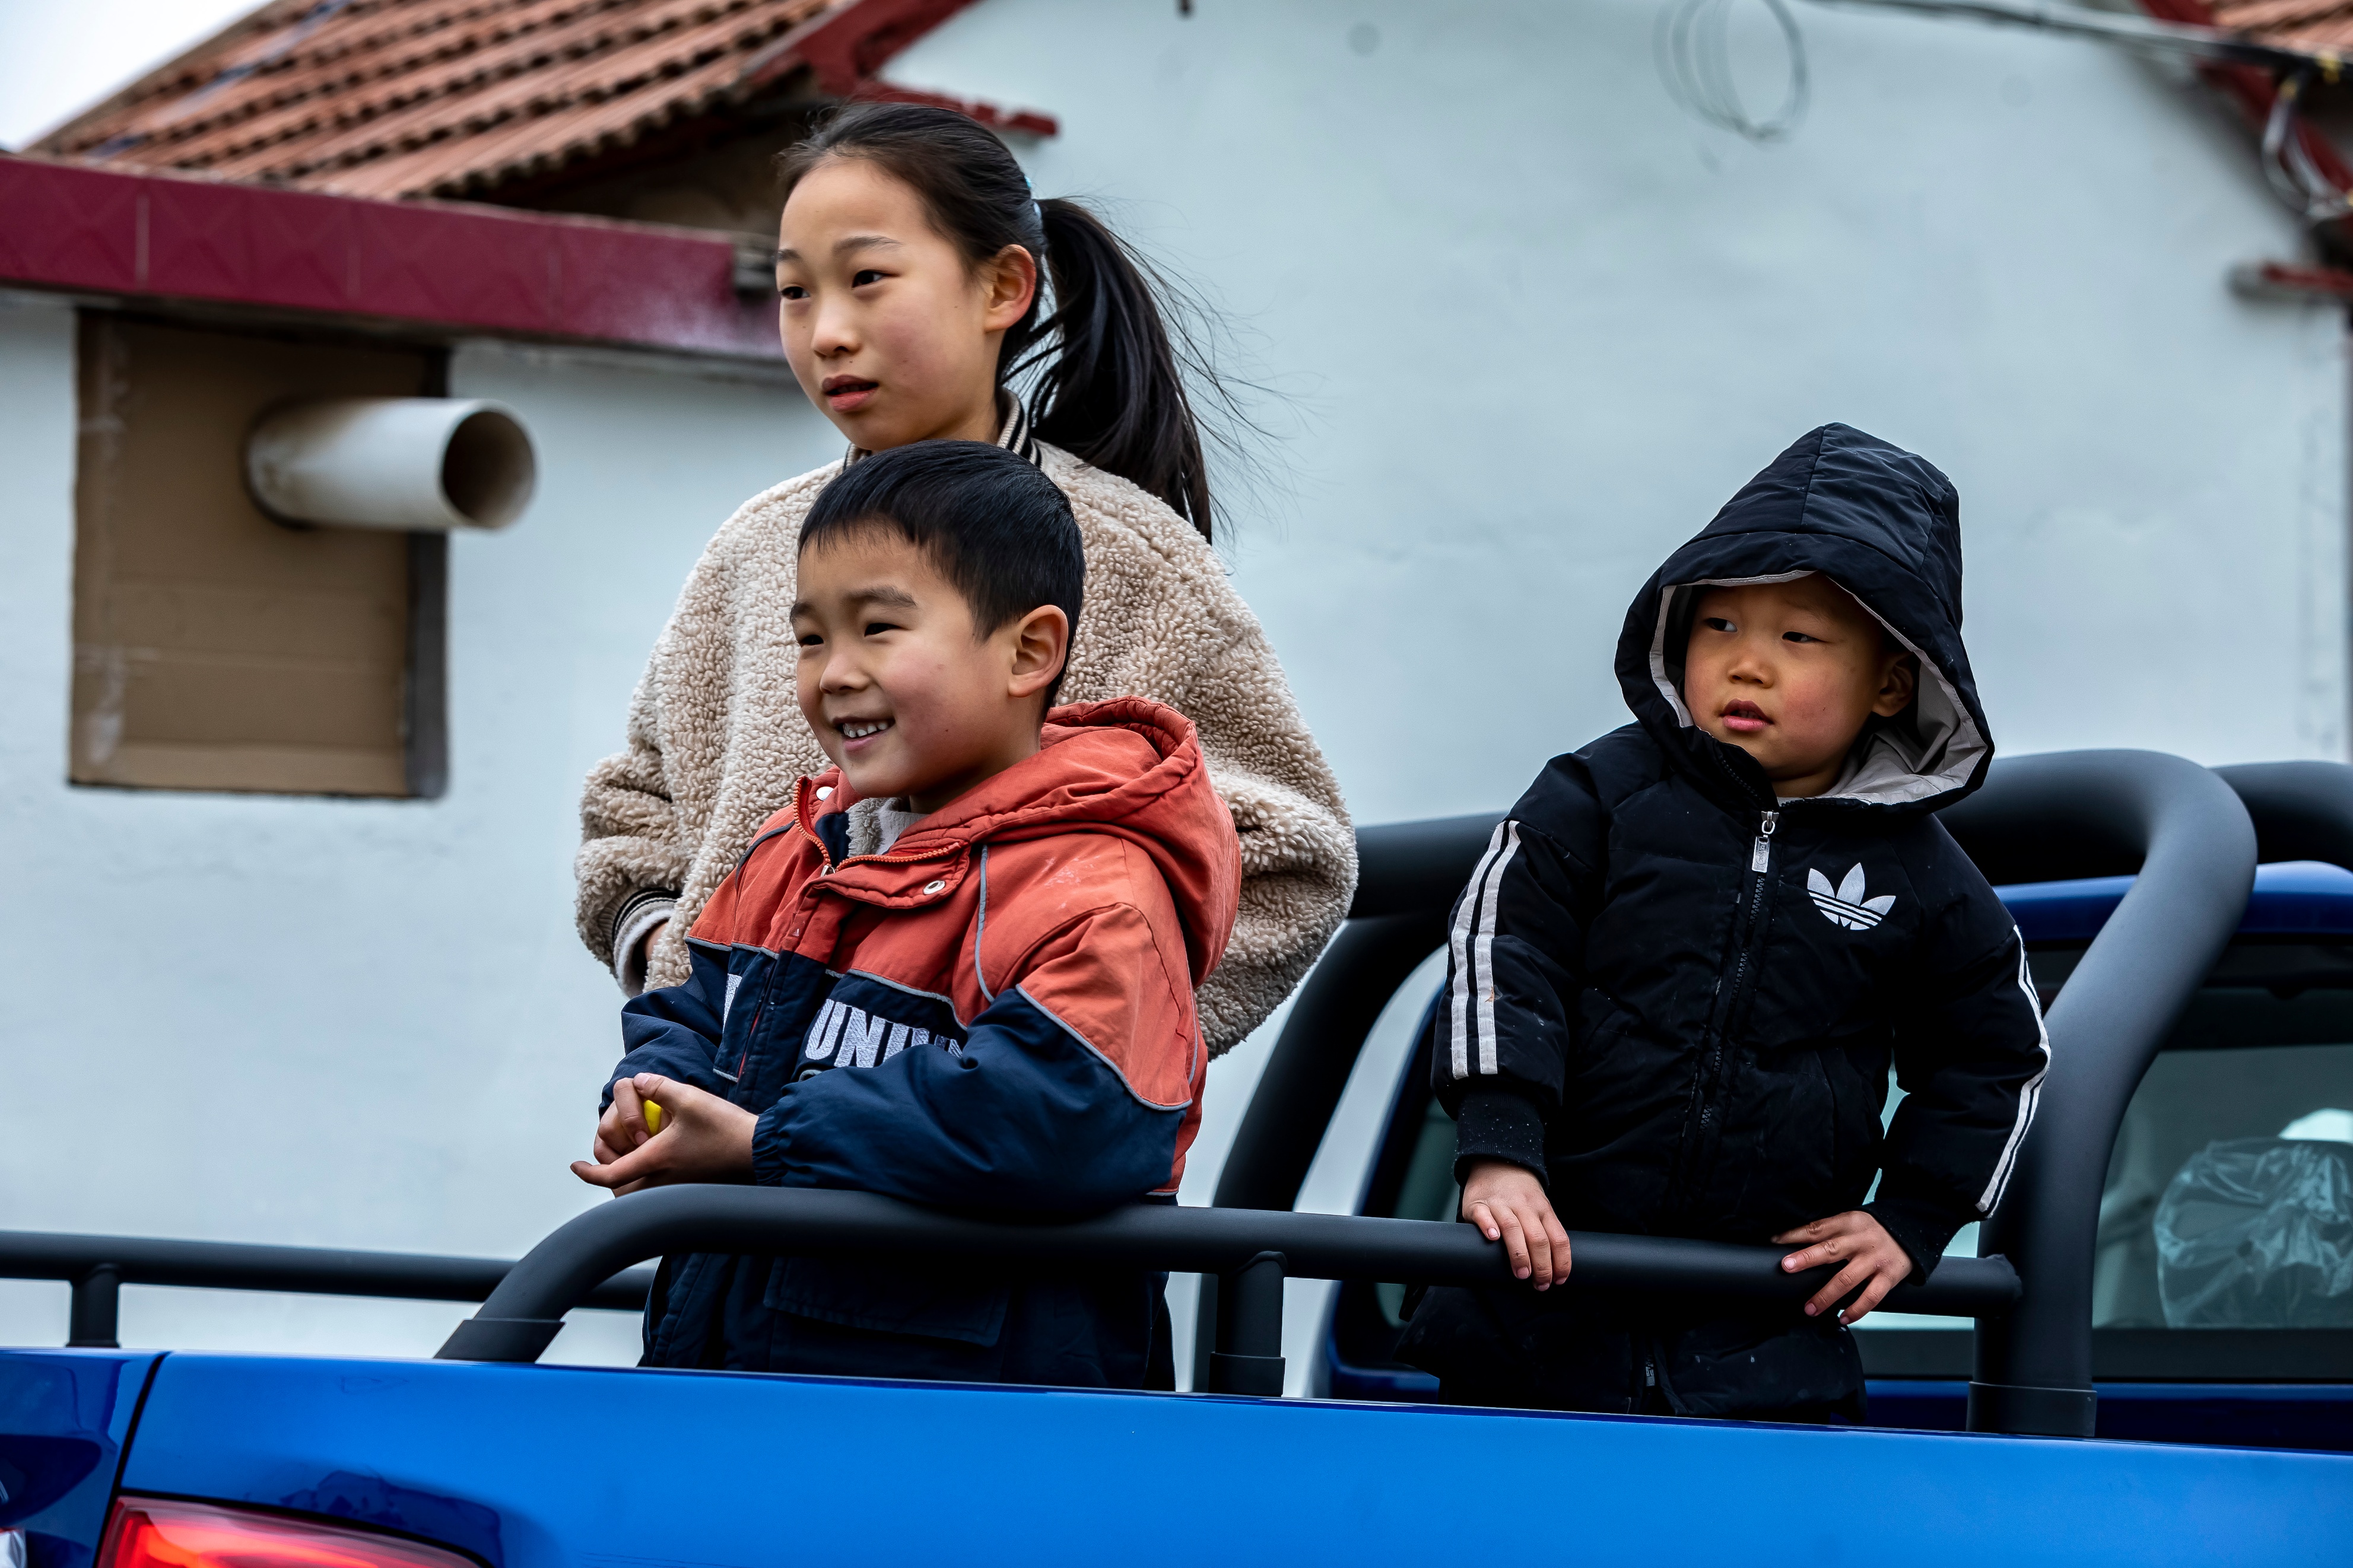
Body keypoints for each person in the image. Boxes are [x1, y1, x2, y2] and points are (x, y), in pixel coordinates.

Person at [576, 102, 1352, 1060]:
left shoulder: (1134, 564)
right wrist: (678, 967)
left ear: (1003, 287)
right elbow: (633, 807)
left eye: (867, 280)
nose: (826, 332)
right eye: (793, 293)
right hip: (717, 1155)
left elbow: (1293, 861)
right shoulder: (753, 549)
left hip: (975, 1190)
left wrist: (1029, 1056)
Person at [1396, 424, 2050, 1421]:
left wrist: (1912, 1220)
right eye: (1720, 627)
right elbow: (1503, 953)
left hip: (1768, 1348)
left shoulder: (1922, 877)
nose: (1747, 666)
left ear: (1891, 680)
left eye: (1797, 638)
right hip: (1533, 1312)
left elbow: (1994, 1053)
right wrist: (1499, 1152)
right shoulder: (1597, 795)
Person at [573, 441, 1240, 1385]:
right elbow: (691, 1007)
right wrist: (651, 1097)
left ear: (1028, 651)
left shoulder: (1094, 891)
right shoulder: (793, 847)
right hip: (742, 1385)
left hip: (975, 1440)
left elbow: (1061, 1116)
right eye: (809, 638)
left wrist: (764, 1145)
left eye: (878, 629)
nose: (833, 673)